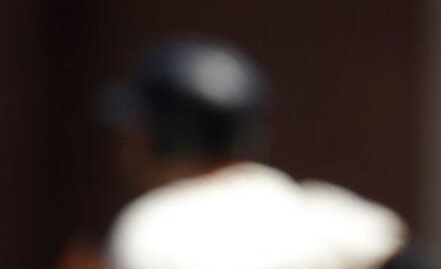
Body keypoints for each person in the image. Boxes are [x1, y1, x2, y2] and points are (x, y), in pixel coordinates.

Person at [58, 34, 411, 269]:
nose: (128, 144)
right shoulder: (324, 211)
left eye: (138, 129)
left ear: (166, 133)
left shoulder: (154, 226)